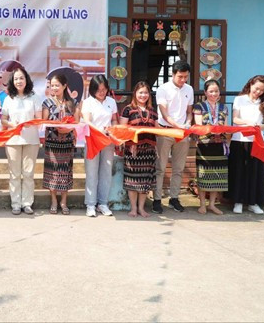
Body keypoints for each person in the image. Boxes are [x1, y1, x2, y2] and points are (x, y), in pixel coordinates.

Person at [228, 75, 264, 215]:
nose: (258, 92)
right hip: (239, 139)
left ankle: (253, 202)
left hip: (256, 141)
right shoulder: (240, 99)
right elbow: (235, 119)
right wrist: (248, 123)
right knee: (239, 170)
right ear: (250, 85)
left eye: (261, 90)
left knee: (255, 172)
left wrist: (258, 126)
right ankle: (238, 201)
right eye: (256, 88)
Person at [154, 60, 193, 214]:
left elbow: (189, 111)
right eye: (180, 77)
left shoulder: (189, 89)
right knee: (160, 167)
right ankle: (157, 199)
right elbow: (164, 113)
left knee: (179, 168)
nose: (183, 80)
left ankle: (174, 198)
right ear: (173, 74)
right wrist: (178, 126)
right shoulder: (163, 89)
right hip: (165, 131)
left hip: (182, 133)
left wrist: (188, 123)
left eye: (186, 77)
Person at [0, 67, 41, 215]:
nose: (19, 81)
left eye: (21, 78)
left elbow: (39, 119)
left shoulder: (34, 97)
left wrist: (31, 123)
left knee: (28, 173)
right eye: (16, 79)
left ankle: (27, 203)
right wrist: (12, 124)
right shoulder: (8, 98)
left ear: (26, 80)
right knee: (15, 174)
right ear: (12, 81)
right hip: (13, 140)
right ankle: (16, 204)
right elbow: (3, 120)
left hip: (31, 139)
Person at [42, 73, 80, 215]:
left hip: (67, 142)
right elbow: (44, 122)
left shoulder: (73, 103)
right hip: (52, 142)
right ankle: (53, 200)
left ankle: (64, 201)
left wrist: (68, 129)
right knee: (52, 173)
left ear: (64, 86)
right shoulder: (47, 103)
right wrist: (56, 126)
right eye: (52, 85)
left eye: (57, 85)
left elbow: (77, 122)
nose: (54, 88)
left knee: (65, 172)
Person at [120, 81, 159, 218]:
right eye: (140, 92)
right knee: (133, 180)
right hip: (133, 150)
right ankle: (133, 208)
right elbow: (122, 129)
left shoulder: (153, 111)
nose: (143, 95)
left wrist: (175, 130)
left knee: (145, 181)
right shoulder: (128, 109)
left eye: (146, 92)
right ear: (135, 93)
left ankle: (141, 208)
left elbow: (157, 129)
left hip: (149, 151)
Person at [81, 74, 118, 217]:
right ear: (93, 89)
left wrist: (112, 129)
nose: (102, 92)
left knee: (106, 172)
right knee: (91, 172)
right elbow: (87, 121)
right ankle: (90, 204)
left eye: (104, 89)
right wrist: (100, 130)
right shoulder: (88, 102)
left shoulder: (111, 102)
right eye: (98, 90)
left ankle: (103, 203)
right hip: (93, 140)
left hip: (107, 141)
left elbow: (114, 120)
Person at [193, 79, 229, 215]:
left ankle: (212, 205)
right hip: (205, 145)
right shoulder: (199, 106)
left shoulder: (223, 107)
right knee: (203, 174)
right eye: (211, 91)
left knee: (217, 176)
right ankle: (202, 204)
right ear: (205, 92)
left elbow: (226, 126)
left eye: (216, 91)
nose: (214, 94)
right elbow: (198, 126)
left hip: (219, 145)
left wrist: (224, 132)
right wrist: (212, 129)